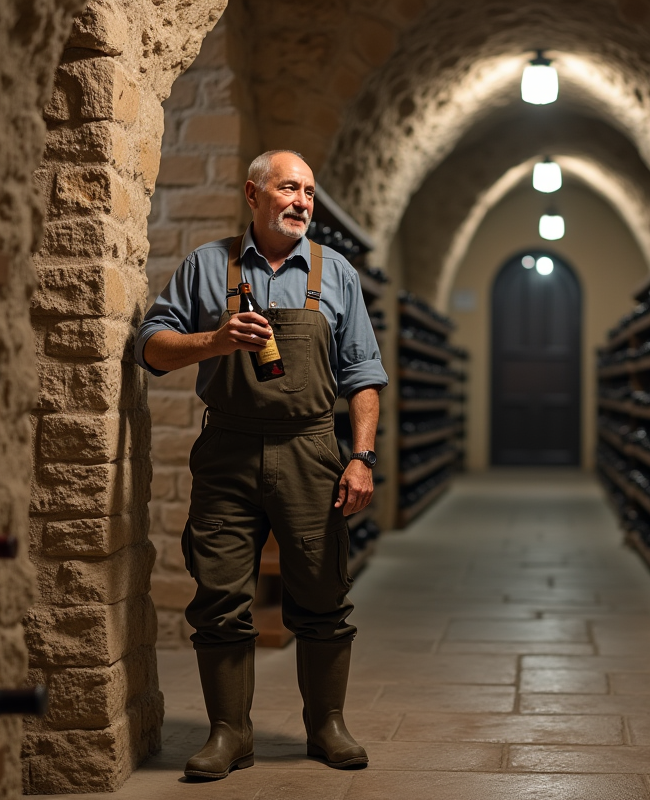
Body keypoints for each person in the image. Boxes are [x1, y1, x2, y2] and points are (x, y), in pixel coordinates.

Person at [134, 150, 387, 779]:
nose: (301, 201)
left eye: (308, 191)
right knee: (219, 593)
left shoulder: (337, 273)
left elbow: (363, 376)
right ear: (254, 194)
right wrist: (216, 340)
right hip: (228, 449)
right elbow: (152, 349)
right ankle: (229, 733)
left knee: (322, 594)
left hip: (311, 448)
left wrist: (361, 457)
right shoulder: (207, 265)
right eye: (288, 188)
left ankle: (326, 726)